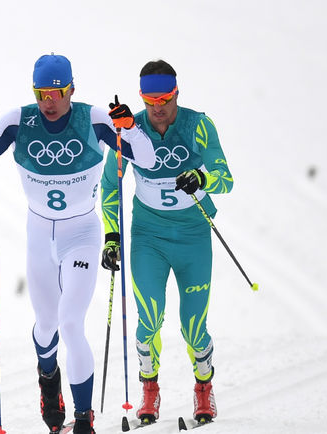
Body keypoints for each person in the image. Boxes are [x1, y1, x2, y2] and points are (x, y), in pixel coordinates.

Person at [0, 53, 156, 434]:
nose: (47, 102)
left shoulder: (93, 119)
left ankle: (84, 417)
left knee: (70, 323)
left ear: (71, 89)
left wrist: (131, 129)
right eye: (41, 94)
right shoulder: (19, 121)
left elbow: (147, 160)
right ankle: (48, 379)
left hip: (81, 234)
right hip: (40, 236)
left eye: (55, 93)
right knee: (46, 325)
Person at [98, 59, 234, 425]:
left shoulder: (198, 125)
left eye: (165, 99)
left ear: (176, 93)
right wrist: (112, 236)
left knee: (193, 326)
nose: (157, 108)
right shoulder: (130, 131)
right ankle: (149, 390)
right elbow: (110, 185)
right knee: (149, 319)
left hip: (192, 236)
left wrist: (202, 179)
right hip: (149, 237)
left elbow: (225, 177)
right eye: (149, 100)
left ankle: (203, 388)